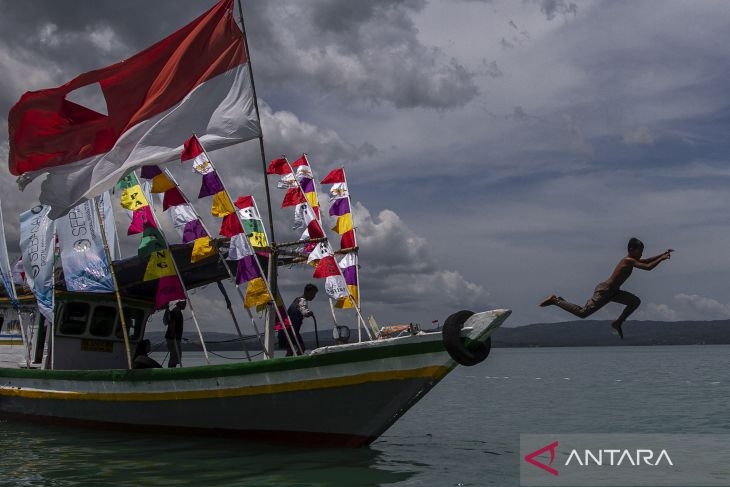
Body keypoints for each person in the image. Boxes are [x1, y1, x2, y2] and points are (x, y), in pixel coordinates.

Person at [539, 238, 673, 339]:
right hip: (605, 291)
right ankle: (555, 300)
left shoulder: (632, 260)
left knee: (635, 302)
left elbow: (645, 261)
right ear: (631, 249)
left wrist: (661, 254)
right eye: (639, 251)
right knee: (583, 313)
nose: (641, 254)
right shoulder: (627, 260)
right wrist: (662, 258)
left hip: (614, 292)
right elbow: (648, 267)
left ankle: (618, 322)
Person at [279, 283, 318, 356]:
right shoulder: (302, 300)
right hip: (291, 329)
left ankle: (287, 364)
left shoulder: (297, 299)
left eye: (314, 294)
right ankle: (296, 364)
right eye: (312, 294)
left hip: (286, 328)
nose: (313, 296)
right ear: (306, 292)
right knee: (301, 348)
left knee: (290, 350)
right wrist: (309, 313)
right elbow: (304, 311)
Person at [165, 300, 186, 367]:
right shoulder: (176, 311)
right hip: (173, 338)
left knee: (176, 356)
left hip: (175, 338)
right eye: (184, 303)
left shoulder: (177, 311)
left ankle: (172, 369)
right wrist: (172, 333)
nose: (185, 305)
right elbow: (172, 323)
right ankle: (171, 371)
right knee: (174, 356)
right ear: (179, 303)